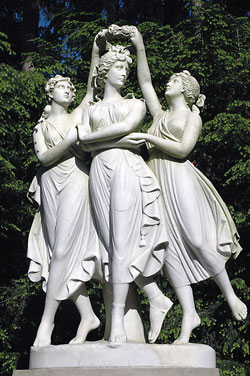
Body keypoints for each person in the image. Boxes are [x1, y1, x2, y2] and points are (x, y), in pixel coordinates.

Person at [127, 28, 247, 344]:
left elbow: (182, 150)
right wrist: (139, 46)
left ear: (187, 90)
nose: (168, 83)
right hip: (154, 181)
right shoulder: (159, 113)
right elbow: (144, 82)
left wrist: (149, 138)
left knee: (195, 237)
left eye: (175, 81)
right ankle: (188, 314)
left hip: (179, 178)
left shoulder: (192, 117)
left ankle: (231, 295)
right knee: (166, 251)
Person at [79, 44, 173, 343]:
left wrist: (92, 140)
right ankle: (155, 297)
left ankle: (117, 323)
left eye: (126, 69)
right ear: (104, 72)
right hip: (99, 171)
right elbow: (82, 144)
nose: (124, 73)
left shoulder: (136, 105)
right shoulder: (91, 109)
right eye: (119, 68)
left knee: (121, 242)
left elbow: (127, 126)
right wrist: (99, 142)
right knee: (108, 245)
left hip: (125, 168)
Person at [27, 39, 103, 347]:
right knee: (60, 253)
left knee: (60, 253)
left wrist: (96, 50)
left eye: (71, 89)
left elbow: (91, 87)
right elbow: (44, 159)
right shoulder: (41, 127)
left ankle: (46, 324)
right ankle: (88, 315)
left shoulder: (78, 114)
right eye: (63, 88)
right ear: (51, 92)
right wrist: (70, 139)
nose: (69, 91)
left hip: (75, 180)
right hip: (51, 186)